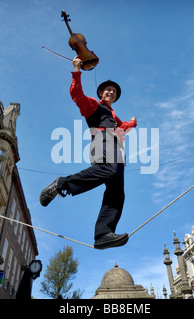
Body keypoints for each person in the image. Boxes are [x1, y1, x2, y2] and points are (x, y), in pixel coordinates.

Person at [39, 57, 137, 250]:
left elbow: (122, 127)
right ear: (101, 92)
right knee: (107, 171)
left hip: (117, 150)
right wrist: (77, 70)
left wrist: (132, 123)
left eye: (114, 91)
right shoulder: (94, 105)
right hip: (102, 141)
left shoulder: (113, 115)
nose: (111, 92)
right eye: (108, 89)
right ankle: (61, 184)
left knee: (117, 193)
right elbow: (77, 95)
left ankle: (102, 234)